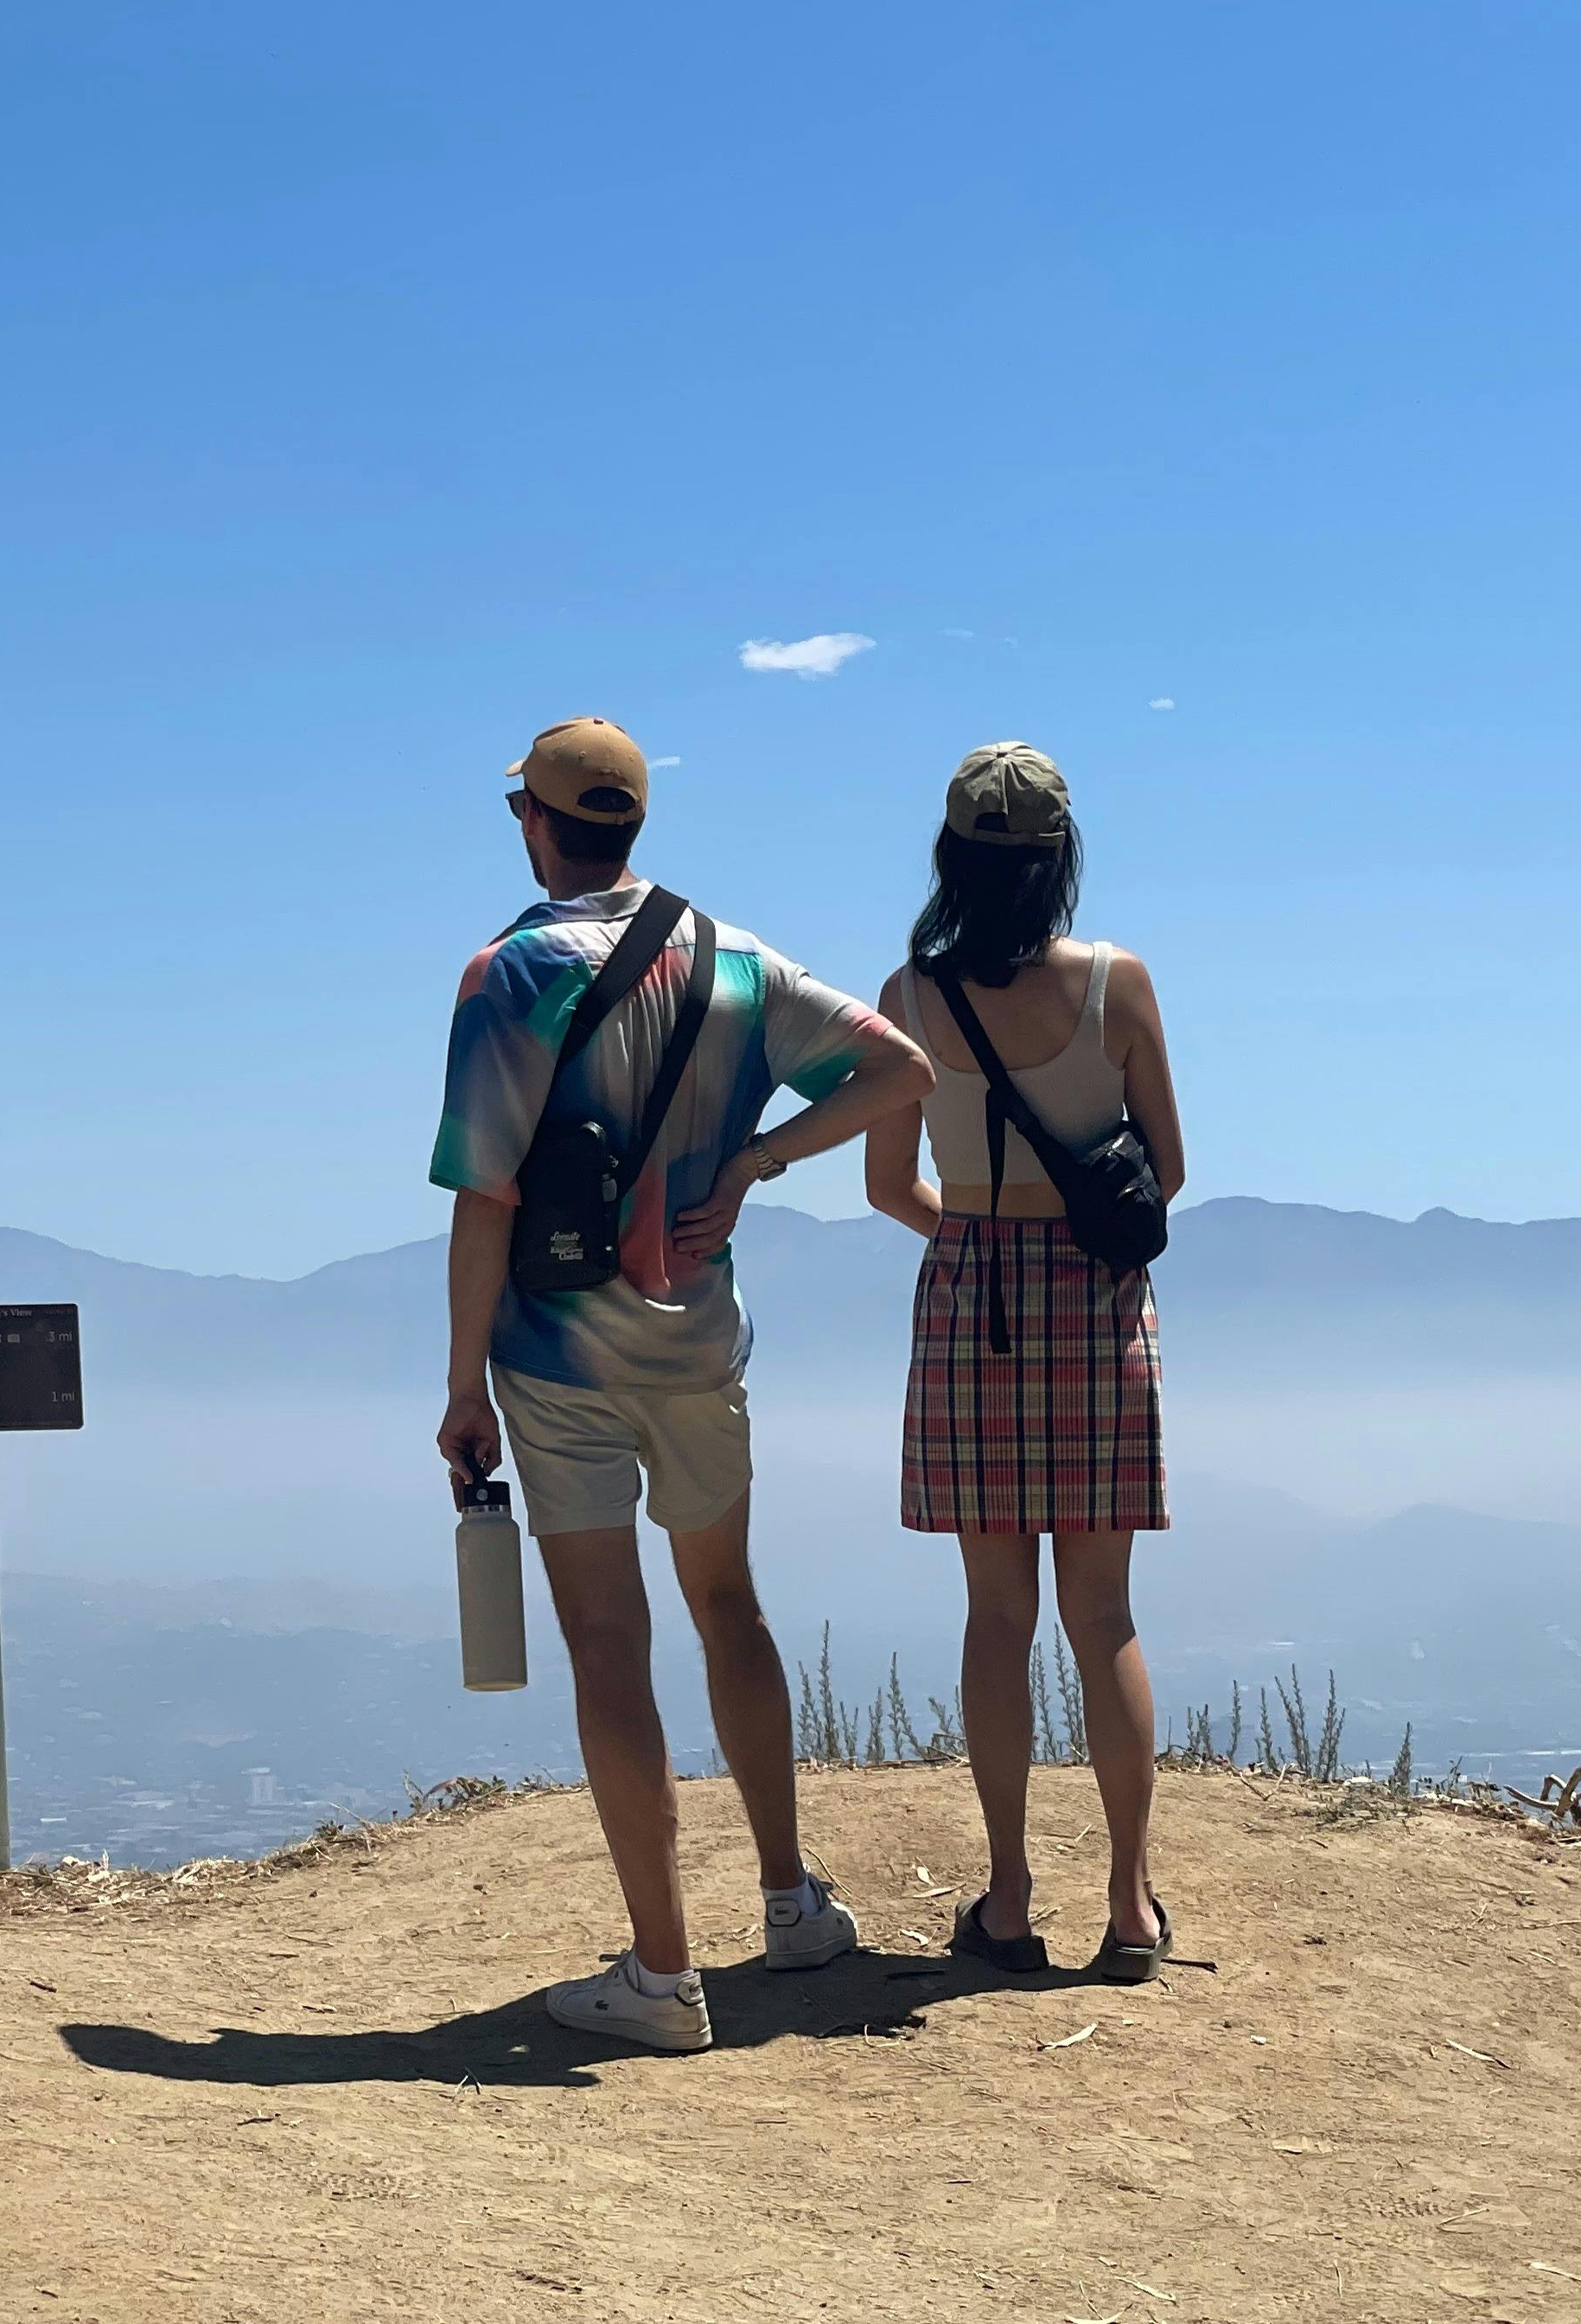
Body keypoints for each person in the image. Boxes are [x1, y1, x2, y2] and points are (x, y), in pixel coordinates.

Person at [432, 717, 937, 2051]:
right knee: (732, 1609)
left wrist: (459, 1384)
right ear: (634, 827)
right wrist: (752, 1163)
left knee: (610, 1647)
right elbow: (902, 1068)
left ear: (532, 822)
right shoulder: (733, 959)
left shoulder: (510, 973)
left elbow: (485, 1199)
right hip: (700, 1341)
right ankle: (788, 1903)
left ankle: (662, 1980)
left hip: (554, 1355)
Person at [862, 742, 1188, 1984]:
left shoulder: (914, 994)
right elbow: (1172, 1171)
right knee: (1102, 1616)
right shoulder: (1122, 985)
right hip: (1100, 1307)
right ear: (1060, 860)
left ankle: (1007, 1897)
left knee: (997, 1618)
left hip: (972, 1300)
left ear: (953, 857)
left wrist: (978, 1223)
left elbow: (892, 1185)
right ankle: (1130, 1910)